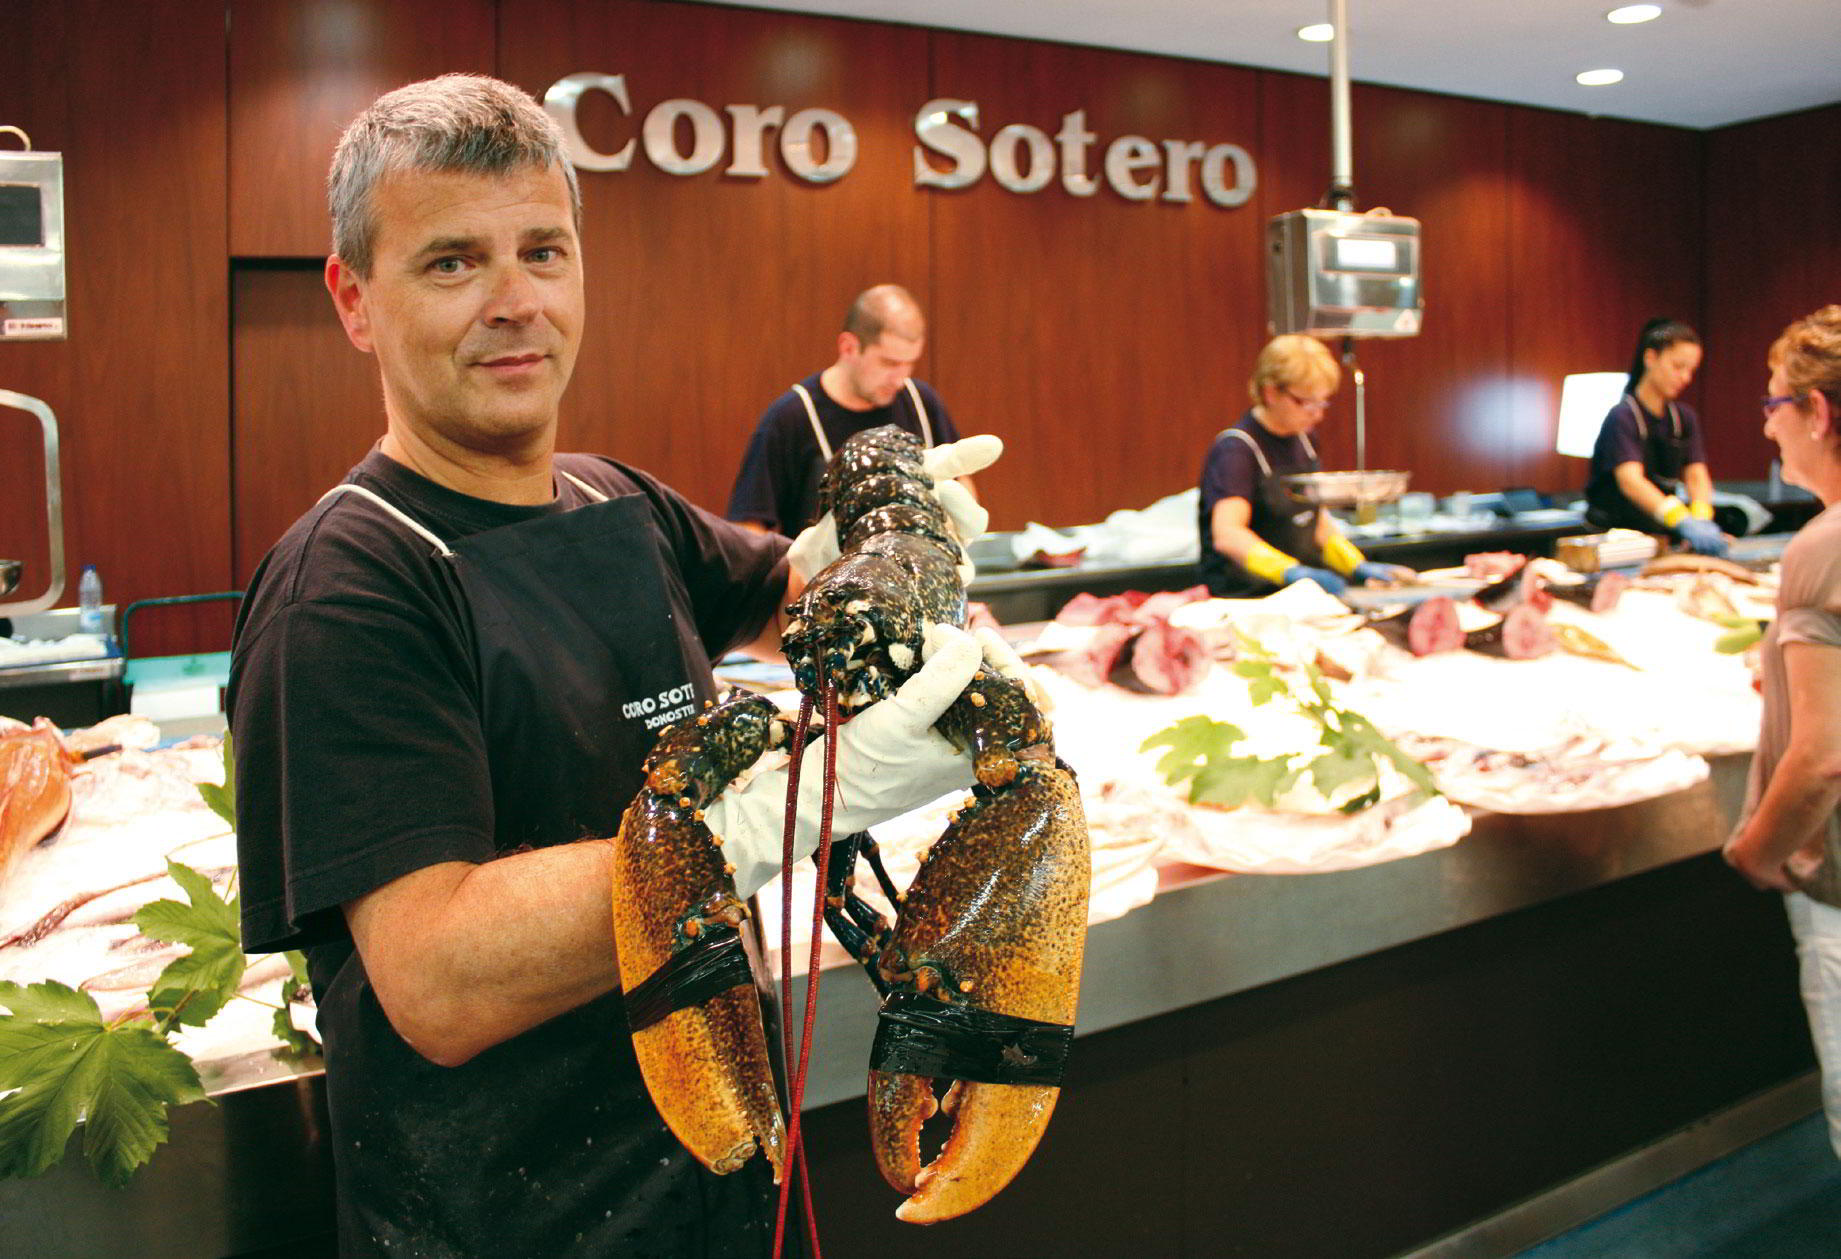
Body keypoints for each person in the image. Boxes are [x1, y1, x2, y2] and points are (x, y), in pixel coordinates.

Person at [228, 74, 1002, 1256]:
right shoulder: (347, 587)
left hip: (716, 1176)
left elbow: (781, 586)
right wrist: (767, 812)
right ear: (354, 300)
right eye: (450, 263)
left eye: (542, 250)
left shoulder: (613, 498)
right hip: (510, 1218)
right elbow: (438, 977)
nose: (513, 301)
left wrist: (888, 541)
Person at [1723, 304, 1841, 1160]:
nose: (1766, 424)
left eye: (1772, 404)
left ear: (1818, 412)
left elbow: (1825, 759)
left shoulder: (1822, 547)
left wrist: (1757, 852)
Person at [726, 284, 967, 537]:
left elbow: (962, 484)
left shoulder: (922, 401)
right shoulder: (790, 419)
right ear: (849, 347)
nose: (899, 379)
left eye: (909, 363)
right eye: (889, 363)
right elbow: (747, 531)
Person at [1197, 334, 1414, 598]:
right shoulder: (1237, 449)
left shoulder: (1304, 439)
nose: (1317, 414)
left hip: (1297, 595)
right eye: (1305, 402)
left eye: (1322, 402)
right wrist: (1290, 571)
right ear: (1271, 392)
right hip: (1248, 597)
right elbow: (1228, 534)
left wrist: (1356, 564)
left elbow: (1315, 518)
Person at [1584, 317, 1730, 556]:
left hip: (1658, 535)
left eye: (1691, 370)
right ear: (1651, 358)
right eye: (1678, 366)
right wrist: (1682, 520)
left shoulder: (1684, 418)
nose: (1685, 378)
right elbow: (1631, 482)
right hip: (1616, 540)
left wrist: (1702, 518)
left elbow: (1696, 475)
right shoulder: (1622, 417)